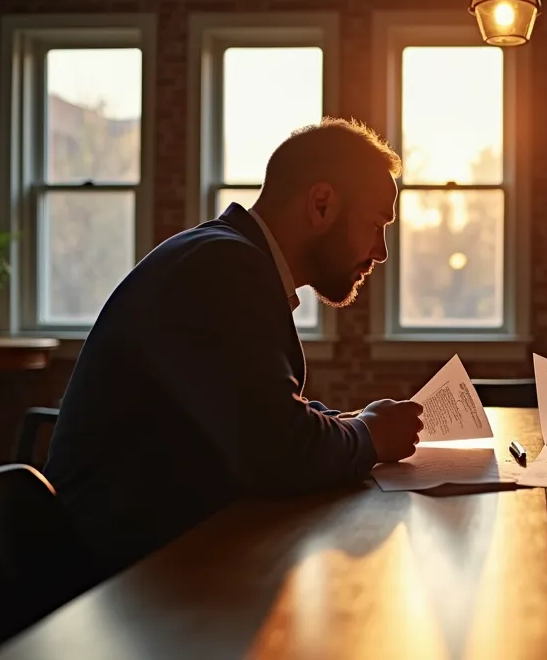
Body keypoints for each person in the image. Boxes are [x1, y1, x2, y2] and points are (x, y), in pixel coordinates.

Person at [43, 117, 424, 584]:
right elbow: (279, 452)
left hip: (159, 554)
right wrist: (369, 436)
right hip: (120, 583)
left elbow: (262, 417)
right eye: (376, 224)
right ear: (321, 204)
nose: (381, 251)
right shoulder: (222, 269)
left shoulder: (225, 258)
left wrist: (348, 424)